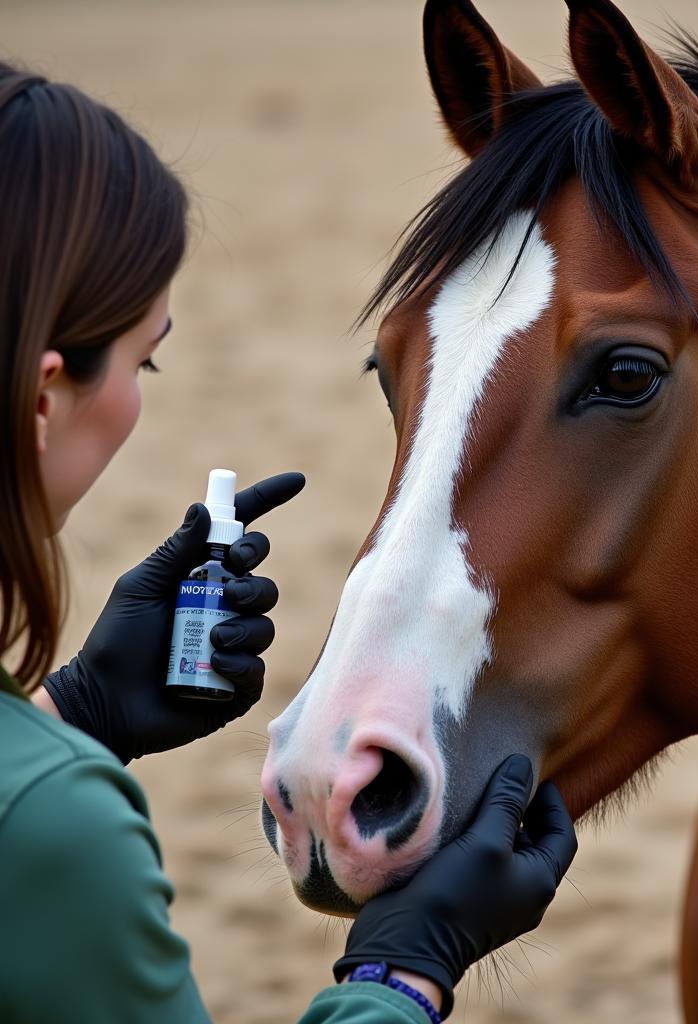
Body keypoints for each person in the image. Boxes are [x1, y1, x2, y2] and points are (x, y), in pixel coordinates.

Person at [0, 62, 577, 1024]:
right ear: (43, 396)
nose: (140, 395)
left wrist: (75, 713)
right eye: (146, 359)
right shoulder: (60, 836)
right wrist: (404, 972)